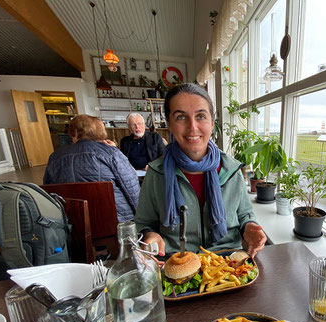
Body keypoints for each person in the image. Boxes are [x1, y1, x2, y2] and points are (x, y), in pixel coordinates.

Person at [135, 83, 266, 258]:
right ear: (169, 124)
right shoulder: (156, 173)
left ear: (212, 123)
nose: (193, 127)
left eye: (201, 116)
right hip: (177, 262)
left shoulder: (232, 169)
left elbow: (244, 214)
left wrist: (249, 227)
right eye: (181, 117)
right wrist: (150, 234)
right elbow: (143, 223)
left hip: (227, 263)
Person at [44, 115, 141, 260]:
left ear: (74, 133)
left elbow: (48, 191)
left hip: (72, 223)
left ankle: (97, 253)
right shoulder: (112, 153)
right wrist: (140, 216)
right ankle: (109, 253)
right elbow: (131, 187)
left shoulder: (55, 157)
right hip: (113, 221)